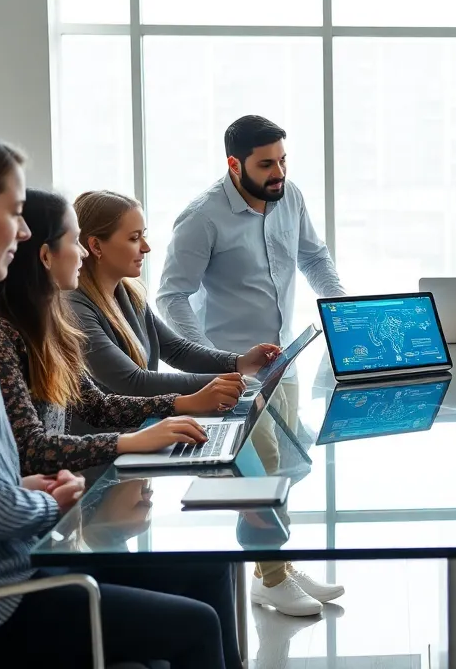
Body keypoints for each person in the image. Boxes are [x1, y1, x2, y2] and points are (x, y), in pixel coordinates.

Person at [0, 125, 228, 668]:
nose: (25, 232)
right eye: (14, 212)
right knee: (194, 626)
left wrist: (24, 488)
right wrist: (46, 501)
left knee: (205, 571)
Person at [157, 114, 345, 615]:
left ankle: (271, 568)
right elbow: (172, 296)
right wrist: (210, 363)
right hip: (235, 374)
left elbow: (314, 258)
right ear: (235, 164)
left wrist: (343, 312)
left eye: (282, 160)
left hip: (285, 360)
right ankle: (274, 576)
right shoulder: (202, 216)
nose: (278, 172)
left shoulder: (291, 197)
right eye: (266, 164)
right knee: (258, 475)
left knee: (288, 468)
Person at [0, 189, 245, 475]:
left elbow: (97, 406)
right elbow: (31, 449)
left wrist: (181, 405)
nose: (83, 252)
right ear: (46, 256)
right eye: (74, 242)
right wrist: (131, 441)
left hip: (51, 490)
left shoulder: (50, 323)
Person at [70, 189, 282, 396]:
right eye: (134, 238)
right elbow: (134, 382)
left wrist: (239, 362)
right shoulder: (75, 309)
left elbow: (177, 350)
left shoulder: (128, 294)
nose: (146, 247)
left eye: (143, 235)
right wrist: (230, 381)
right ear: (96, 246)